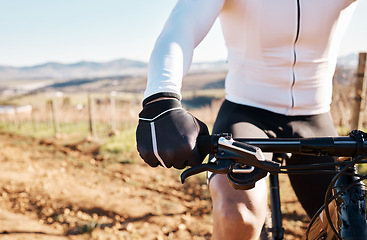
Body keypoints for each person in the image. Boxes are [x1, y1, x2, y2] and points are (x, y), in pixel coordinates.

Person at [136, 0, 360, 239]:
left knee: (352, 221)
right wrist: (161, 98)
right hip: (246, 115)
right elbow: (182, 24)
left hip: (315, 117)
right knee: (238, 216)